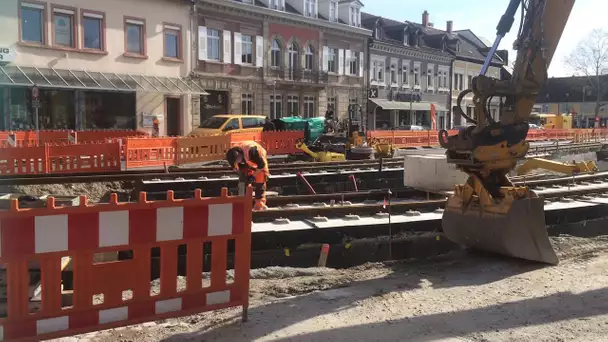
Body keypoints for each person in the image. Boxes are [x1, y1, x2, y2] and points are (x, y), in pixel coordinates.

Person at [225, 141, 269, 210]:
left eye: (237, 160)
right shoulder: (232, 154)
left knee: (260, 181)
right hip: (246, 160)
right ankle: (243, 203)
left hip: (259, 160)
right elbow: (236, 167)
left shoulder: (252, 151)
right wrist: (244, 178)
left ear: (238, 155)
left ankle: (259, 205)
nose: (237, 162)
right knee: (243, 181)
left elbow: (261, 165)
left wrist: (253, 175)